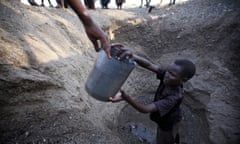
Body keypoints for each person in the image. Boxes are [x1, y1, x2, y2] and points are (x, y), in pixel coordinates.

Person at [110, 45, 196, 144]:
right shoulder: (168, 76)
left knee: (165, 138)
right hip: (163, 118)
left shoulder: (174, 97)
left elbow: (145, 109)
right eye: (168, 71)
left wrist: (126, 98)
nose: (167, 75)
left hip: (168, 123)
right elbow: (149, 65)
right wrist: (134, 57)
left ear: (183, 80)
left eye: (172, 74)